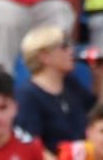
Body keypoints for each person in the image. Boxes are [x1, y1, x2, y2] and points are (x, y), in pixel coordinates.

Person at [15, 25, 93, 153]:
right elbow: (32, 146)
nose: (71, 51)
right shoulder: (27, 96)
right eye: (64, 47)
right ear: (44, 56)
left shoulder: (71, 84)